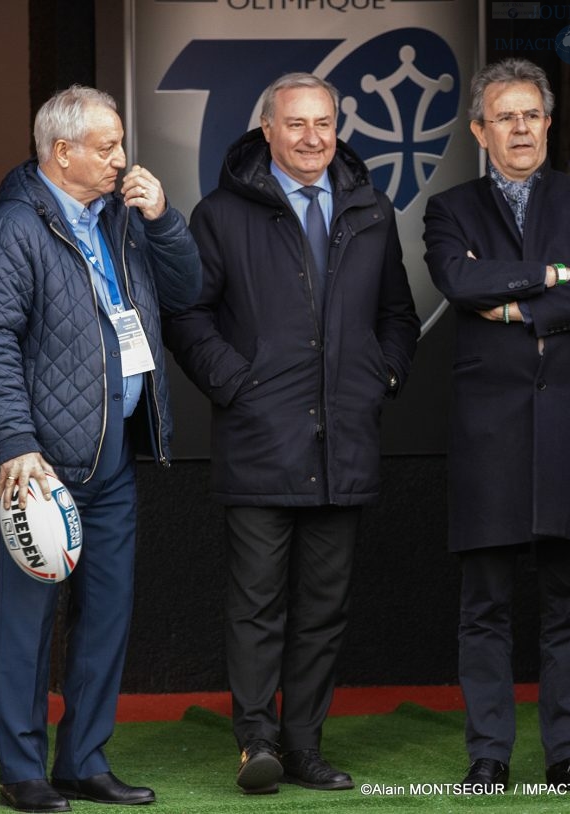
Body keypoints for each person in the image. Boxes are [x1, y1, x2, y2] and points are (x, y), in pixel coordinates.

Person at [164, 72, 420, 794]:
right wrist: (234, 383)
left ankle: (304, 748)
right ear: (267, 131)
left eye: (324, 123)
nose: (312, 137)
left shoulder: (372, 208)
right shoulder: (220, 214)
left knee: (324, 608)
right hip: (258, 440)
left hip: (345, 440)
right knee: (257, 604)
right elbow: (188, 315)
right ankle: (257, 743)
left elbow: (398, 316)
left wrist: (384, 375)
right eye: (296, 124)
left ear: (337, 128)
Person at [0, 85, 202, 813]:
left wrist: (164, 220)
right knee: (28, 625)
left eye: (121, 144)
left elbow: (188, 291)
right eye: (107, 147)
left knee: (108, 616)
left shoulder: (124, 219)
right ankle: (22, 772)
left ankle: (84, 760)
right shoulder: (11, 230)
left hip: (113, 461)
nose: (121, 159)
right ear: (61, 152)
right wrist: (15, 444)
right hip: (39, 468)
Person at [422, 58, 570, 794]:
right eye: (504, 116)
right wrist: (552, 275)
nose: (520, 128)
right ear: (481, 131)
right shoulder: (449, 209)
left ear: (547, 123)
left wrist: (512, 300)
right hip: (491, 433)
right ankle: (490, 757)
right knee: (485, 606)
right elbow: (458, 279)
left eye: (531, 115)